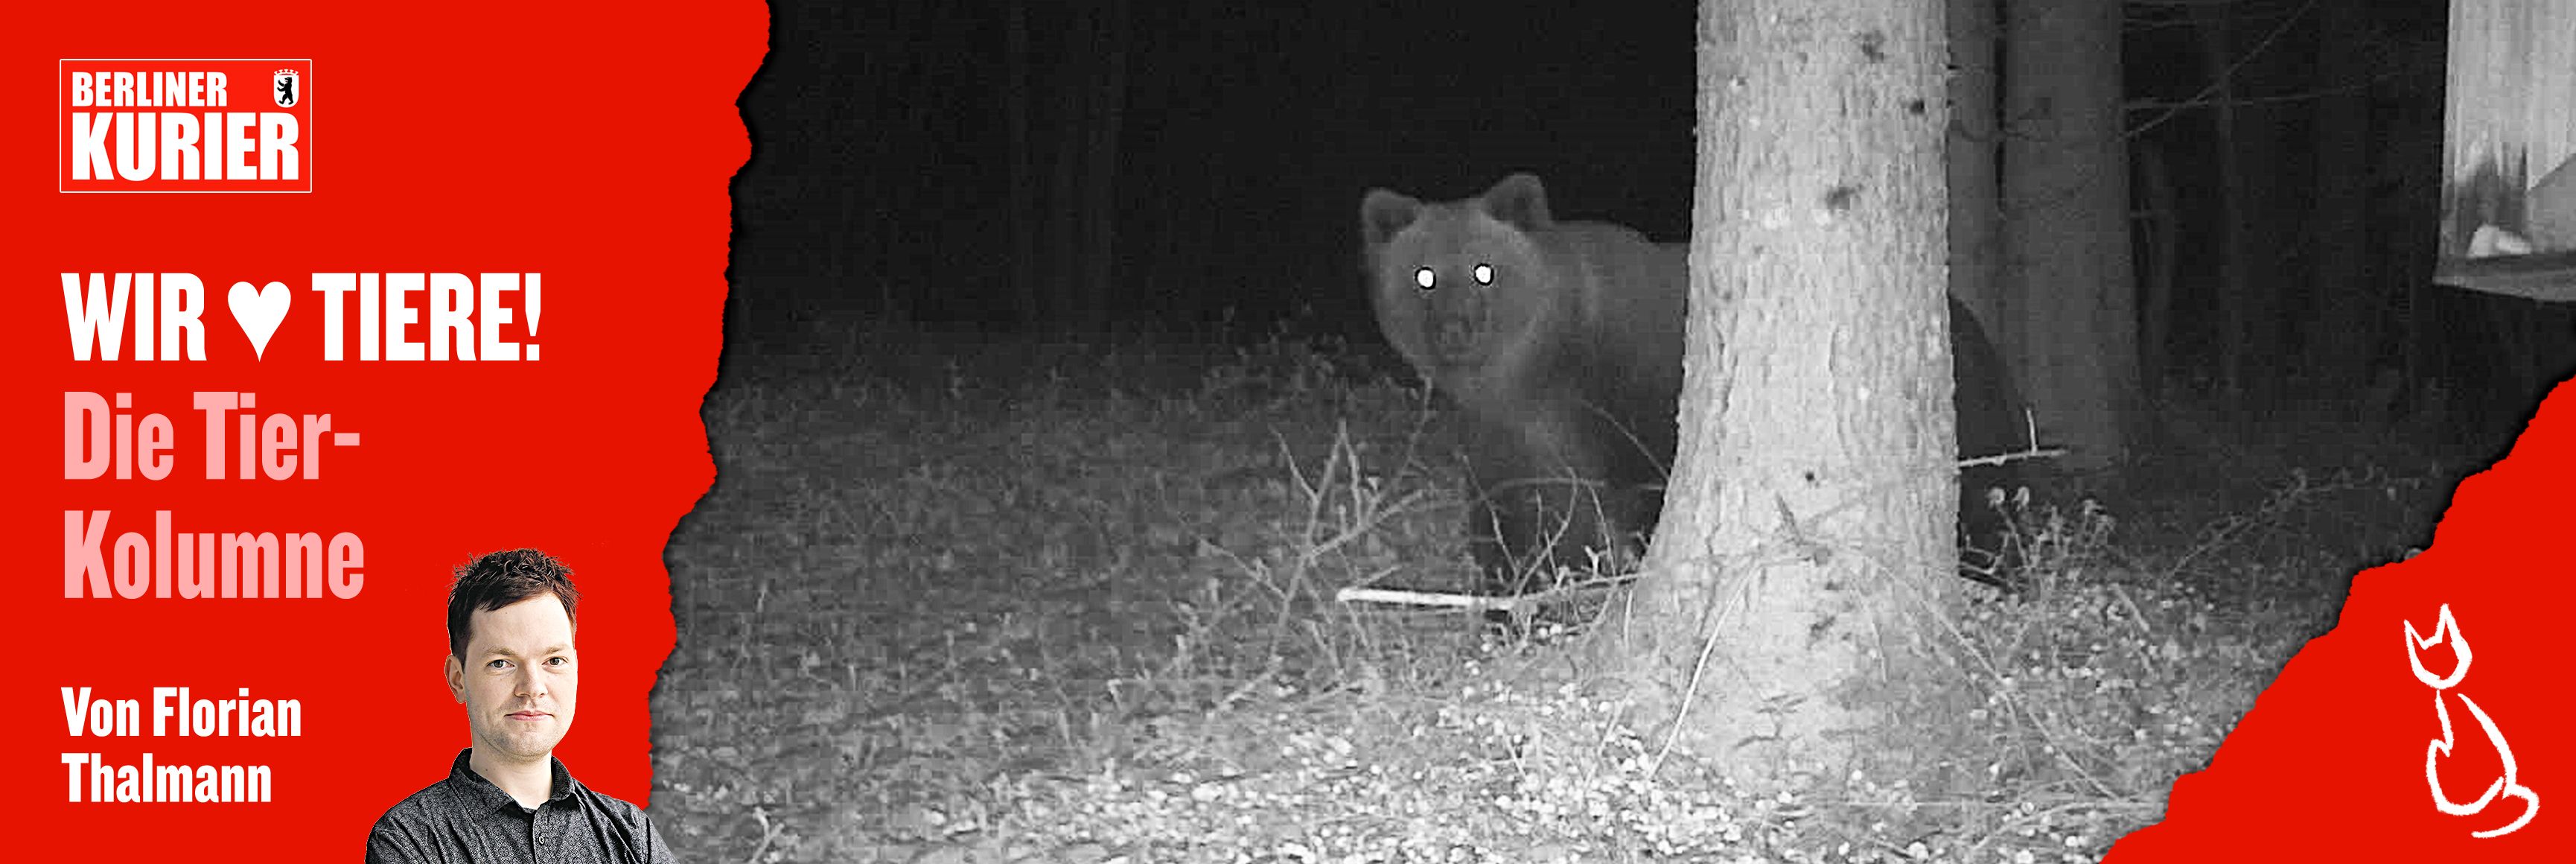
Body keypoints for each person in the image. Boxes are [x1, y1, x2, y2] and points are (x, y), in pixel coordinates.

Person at [367, 549, 676, 863]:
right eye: (501, 663)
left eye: (554, 661)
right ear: (458, 679)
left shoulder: (632, 834)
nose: (532, 688)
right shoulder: (408, 840)